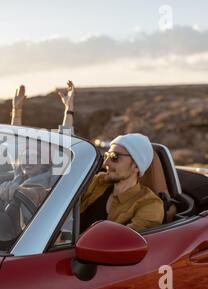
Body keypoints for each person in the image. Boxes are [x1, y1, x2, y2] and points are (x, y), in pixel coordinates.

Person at [56, 81, 164, 232]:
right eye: (106, 155)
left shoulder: (149, 205)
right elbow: (65, 173)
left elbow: (123, 244)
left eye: (114, 156)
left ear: (135, 166)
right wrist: (69, 111)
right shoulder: (98, 182)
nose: (106, 161)